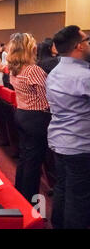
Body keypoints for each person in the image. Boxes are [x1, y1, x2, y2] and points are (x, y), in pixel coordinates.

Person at [46, 25, 90, 229]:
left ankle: (58, 224)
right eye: (87, 41)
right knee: (79, 198)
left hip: (59, 141)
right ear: (79, 46)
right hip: (79, 145)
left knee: (63, 187)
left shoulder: (55, 72)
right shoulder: (84, 77)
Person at [7, 33, 50, 204]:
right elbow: (47, 100)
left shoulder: (14, 68)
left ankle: (20, 194)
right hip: (36, 118)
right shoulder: (33, 70)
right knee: (33, 163)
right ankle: (29, 203)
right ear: (29, 48)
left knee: (25, 158)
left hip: (22, 114)